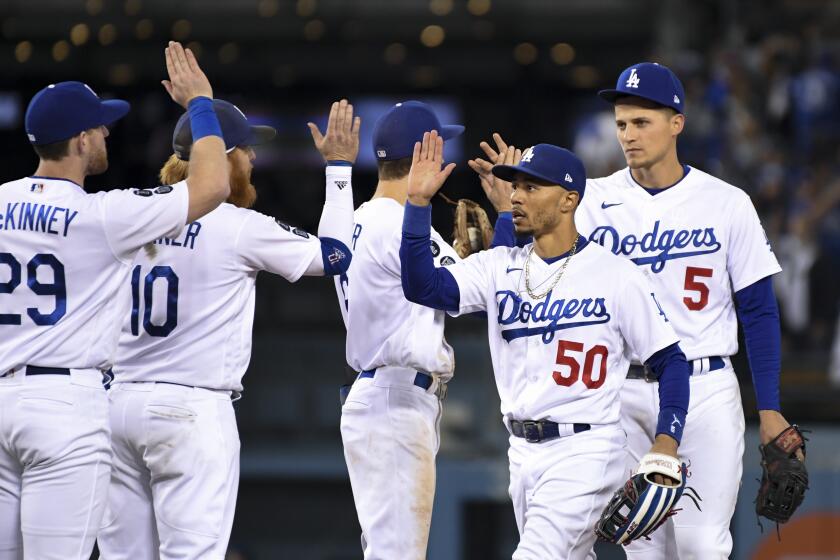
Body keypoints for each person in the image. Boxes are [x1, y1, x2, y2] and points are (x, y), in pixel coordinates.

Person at [400, 133, 690, 559]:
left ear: (568, 200)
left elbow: (671, 361)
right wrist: (417, 205)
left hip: (587, 450)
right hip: (521, 454)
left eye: (532, 187)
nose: (516, 197)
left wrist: (667, 440)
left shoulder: (615, 274)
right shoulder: (501, 266)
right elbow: (422, 286)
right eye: (515, 186)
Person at [96, 98, 358, 560]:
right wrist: (338, 169)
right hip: (191, 409)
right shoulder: (237, 226)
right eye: (246, 150)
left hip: (118, 406)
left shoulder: (126, 213)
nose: (254, 159)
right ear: (223, 157)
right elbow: (335, 256)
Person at [0, 41, 229, 559]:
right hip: (63, 407)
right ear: (80, 140)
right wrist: (201, 104)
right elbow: (213, 185)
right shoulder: (103, 215)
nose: (106, 133)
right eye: (99, 127)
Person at [575, 61, 798, 559]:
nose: (628, 135)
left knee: (702, 546)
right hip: (622, 393)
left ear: (677, 121)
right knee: (642, 550)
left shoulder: (726, 203)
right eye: (622, 124)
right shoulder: (591, 202)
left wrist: (770, 407)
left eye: (641, 122)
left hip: (704, 389)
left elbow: (758, 310)